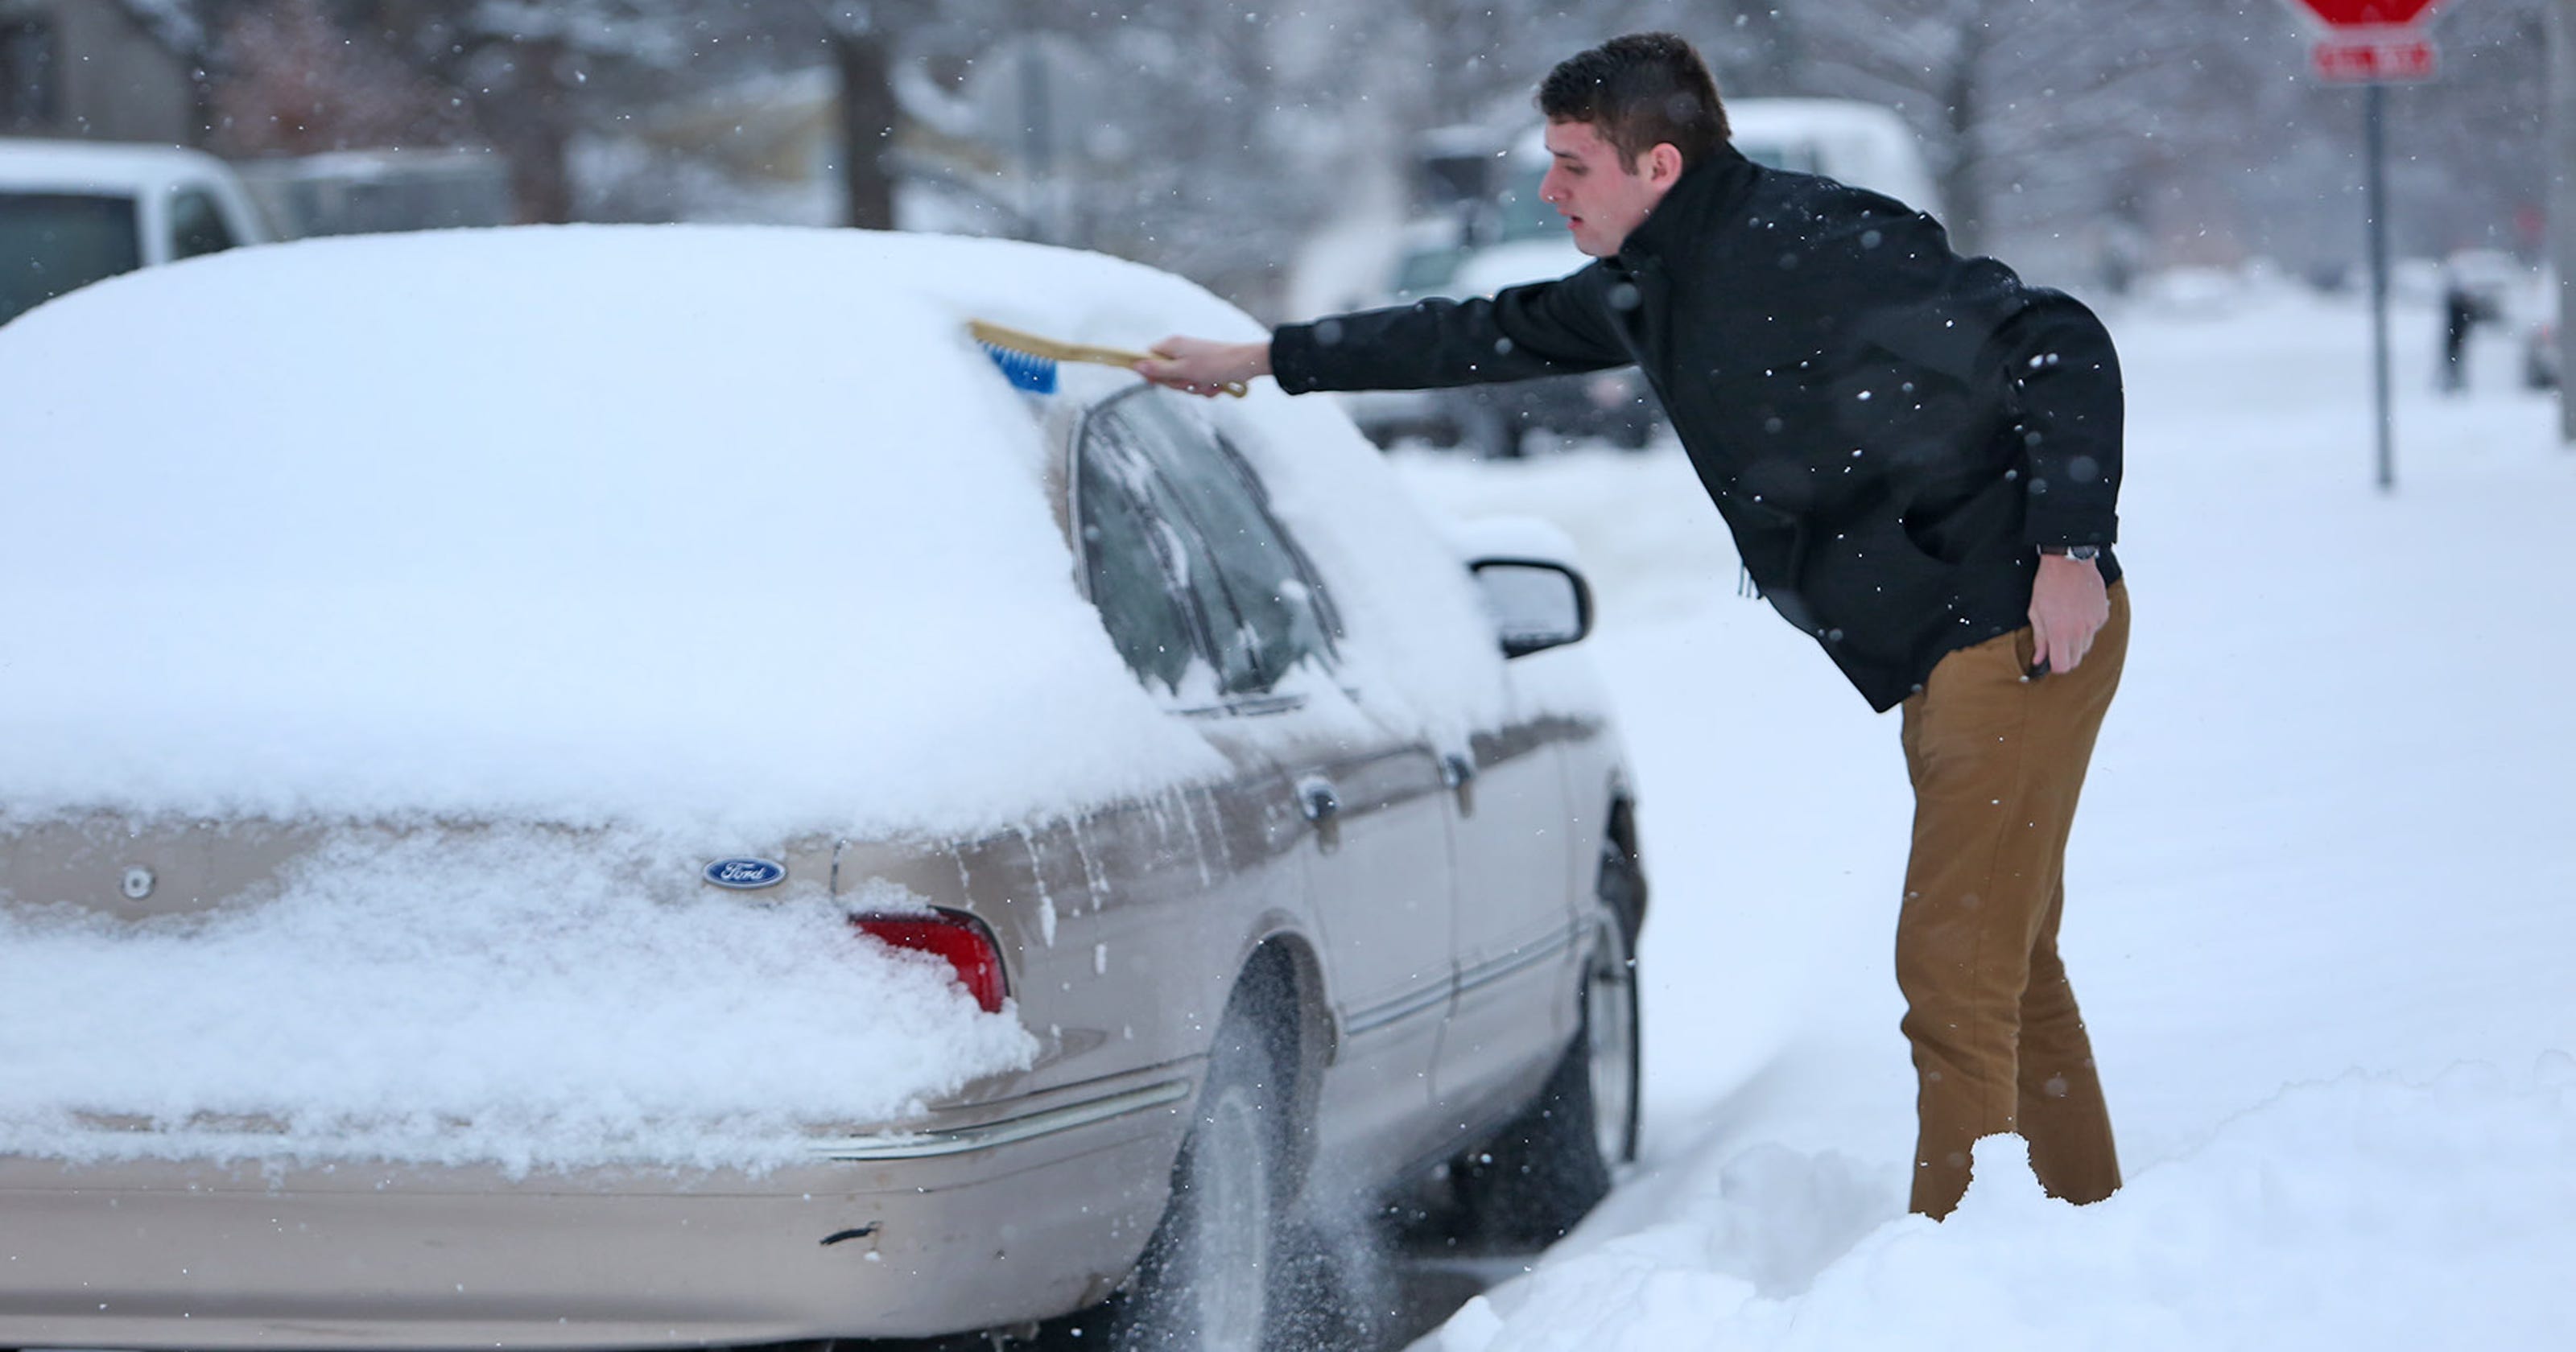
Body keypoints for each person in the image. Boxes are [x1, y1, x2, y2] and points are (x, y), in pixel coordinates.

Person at [1137, 32, 2129, 1221]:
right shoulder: (1652, 281)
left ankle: (1959, 1262)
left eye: (1571, 165)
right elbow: (1473, 333)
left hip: (2015, 628)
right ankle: (2079, 1219)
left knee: (1952, 965)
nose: (1550, 189)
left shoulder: (1811, 238)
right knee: (2009, 962)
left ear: (1656, 164)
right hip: (1946, 642)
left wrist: (2069, 550)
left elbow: (2058, 337)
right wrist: (1264, 356)